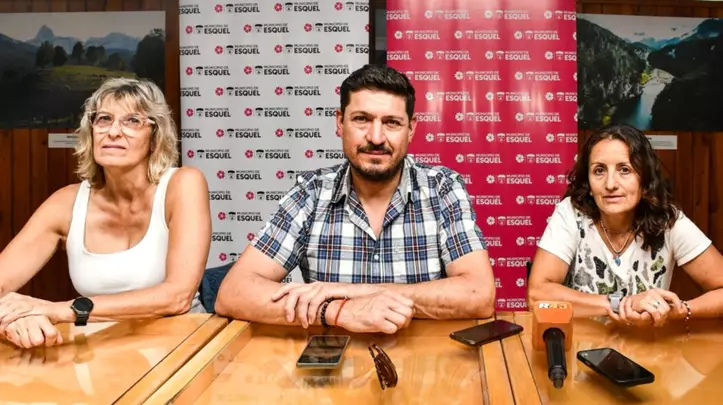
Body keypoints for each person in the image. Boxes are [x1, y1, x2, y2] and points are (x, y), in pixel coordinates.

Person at [215, 64, 495, 333]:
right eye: (362, 119)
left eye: (392, 123)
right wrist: (340, 311)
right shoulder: (310, 193)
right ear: (340, 123)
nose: (376, 137)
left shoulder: (442, 188)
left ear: (411, 128)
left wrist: (352, 292)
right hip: (331, 358)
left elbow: (479, 295)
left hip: (425, 359)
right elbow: (232, 293)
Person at [0, 78, 211, 348]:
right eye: (104, 119)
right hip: (100, 349)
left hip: (181, 344)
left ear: (155, 138)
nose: (113, 132)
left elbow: (177, 297)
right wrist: (12, 319)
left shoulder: (183, 184)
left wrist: (60, 310)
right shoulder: (65, 203)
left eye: (132, 121)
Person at [528, 124, 723, 327]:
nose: (610, 184)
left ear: (644, 181)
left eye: (624, 170)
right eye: (599, 170)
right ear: (589, 183)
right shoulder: (571, 213)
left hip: (647, 344)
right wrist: (619, 304)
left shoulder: (668, 222)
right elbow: (537, 295)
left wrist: (679, 311)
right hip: (580, 343)